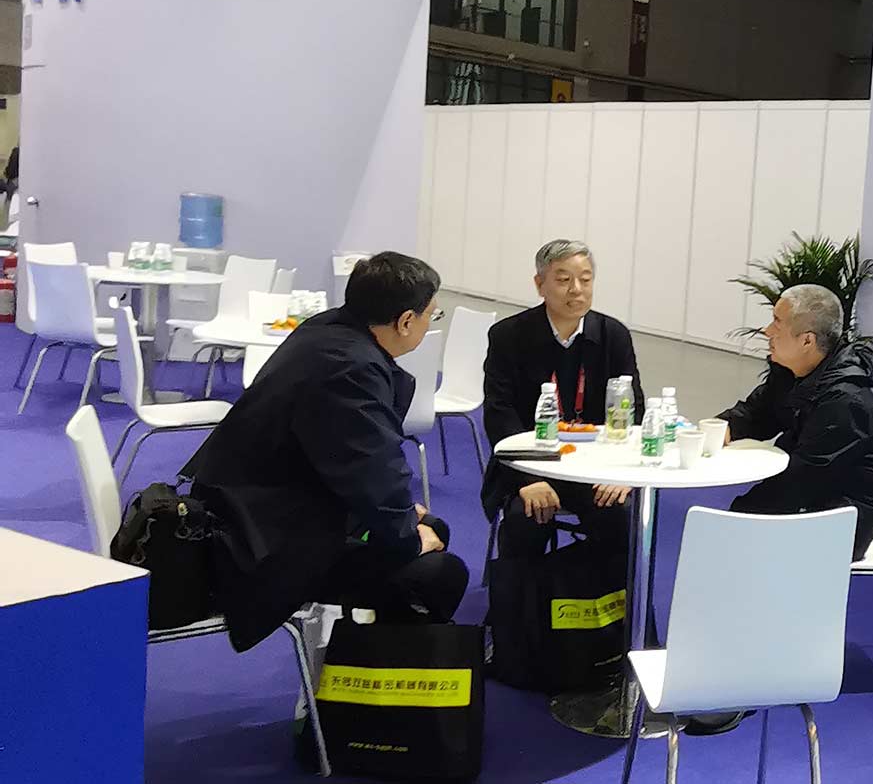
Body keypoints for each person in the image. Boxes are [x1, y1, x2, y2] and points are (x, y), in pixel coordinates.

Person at [186, 251, 467, 650]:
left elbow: (355, 464)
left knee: (427, 529)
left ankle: (363, 660)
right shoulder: (352, 369)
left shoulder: (326, 333)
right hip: (261, 542)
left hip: (255, 508)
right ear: (406, 321)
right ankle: (367, 675)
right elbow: (372, 468)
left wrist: (402, 518)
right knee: (438, 571)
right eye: (431, 316)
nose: (429, 323)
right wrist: (408, 534)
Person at [481, 240, 643, 556]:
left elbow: (633, 406)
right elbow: (499, 412)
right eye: (564, 279)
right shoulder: (509, 336)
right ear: (540, 284)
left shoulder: (613, 335)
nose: (576, 289)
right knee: (525, 519)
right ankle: (522, 590)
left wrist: (623, 474)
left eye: (585, 279)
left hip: (596, 466)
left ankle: (594, 587)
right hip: (531, 464)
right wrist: (528, 477)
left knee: (618, 517)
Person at [718, 284, 873, 559]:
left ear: (807, 341)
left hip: (842, 520)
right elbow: (759, 413)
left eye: (777, 322)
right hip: (810, 497)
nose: (767, 331)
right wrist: (720, 428)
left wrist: (743, 511)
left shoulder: (846, 401)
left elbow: (804, 480)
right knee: (739, 521)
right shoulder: (792, 371)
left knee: (738, 524)